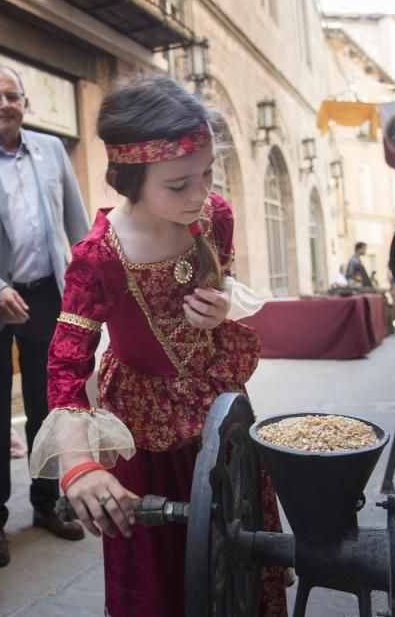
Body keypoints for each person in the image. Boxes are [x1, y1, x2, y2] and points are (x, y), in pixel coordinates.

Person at [28, 75, 288, 617]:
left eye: (207, 174)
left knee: (238, 553)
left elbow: (222, 277)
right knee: (160, 572)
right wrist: (78, 461)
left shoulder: (214, 216)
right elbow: (66, 359)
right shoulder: (100, 255)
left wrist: (220, 306)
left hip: (223, 417)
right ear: (129, 177)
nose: (199, 194)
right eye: (178, 185)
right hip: (145, 435)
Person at [0, 65, 90, 566]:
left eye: (12, 95)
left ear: (25, 102)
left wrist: (84, 288)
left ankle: (48, 503)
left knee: (45, 403)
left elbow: (78, 224)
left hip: (47, 296)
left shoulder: (51, 151)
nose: (4, 104)